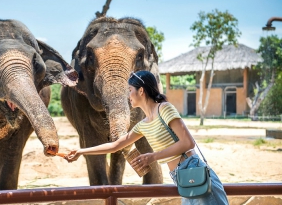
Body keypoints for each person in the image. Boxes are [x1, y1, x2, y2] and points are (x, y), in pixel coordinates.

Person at [65, 70, 229, 205]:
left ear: (141, 91)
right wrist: (81, 151)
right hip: (181, 179)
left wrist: (152, 157)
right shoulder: (143, 124)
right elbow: (115, 146)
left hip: (193, 170)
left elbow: (188, 142)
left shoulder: (165, 109)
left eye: (130, 90)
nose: (128, 95)